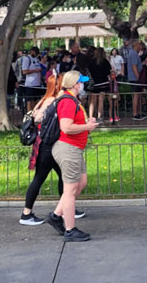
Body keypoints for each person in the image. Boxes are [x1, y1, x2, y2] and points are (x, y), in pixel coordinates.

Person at [46, 71, 98, 242]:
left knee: (80, 183)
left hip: (74, 148)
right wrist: (86, 127)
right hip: (69, 148)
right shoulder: (68, 101)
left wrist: (86, 125)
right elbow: (66, 127)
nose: (82, 85)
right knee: (70, 191)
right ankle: (70, 229)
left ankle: (56, 215)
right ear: (75, 84)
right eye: (80, 82)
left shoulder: (71, 100)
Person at [19, 70, 72, 225]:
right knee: (41, 178)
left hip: (47, 144)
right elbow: (38, 118)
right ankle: (26, 213)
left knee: (64, 176)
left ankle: (67, 207)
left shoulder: (46, 99)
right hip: (47, 144)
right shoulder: (51, 100)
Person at [88, 47, 112, 123]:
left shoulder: (91, 61)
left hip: (94, 83)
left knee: (92, 101)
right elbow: (108, 72)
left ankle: (90, 117)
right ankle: (99, 117)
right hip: (103, 83)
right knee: (101, 100)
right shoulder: (105, 62)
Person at [124, 40, 145, 120]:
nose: (141, 47)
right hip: (134, 78)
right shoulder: (133, 54)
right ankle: (135, 113)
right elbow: (134, 66)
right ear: (136, 45)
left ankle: (138, 112)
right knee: (136, 95)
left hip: (134, 77)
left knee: (138, 95)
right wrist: (138, 77)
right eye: (139, 45)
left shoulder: (134, 54)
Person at [21, 47, 43, 112]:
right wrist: (35, 70)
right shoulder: (27, 59)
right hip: (30, 84)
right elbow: (24, 71)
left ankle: (34, 114)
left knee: (36, 100)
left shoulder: (36, 59)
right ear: (32, 51)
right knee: (30, 101)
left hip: (37, 83)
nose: (36, 54)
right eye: (35, 52)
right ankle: (29, 115)